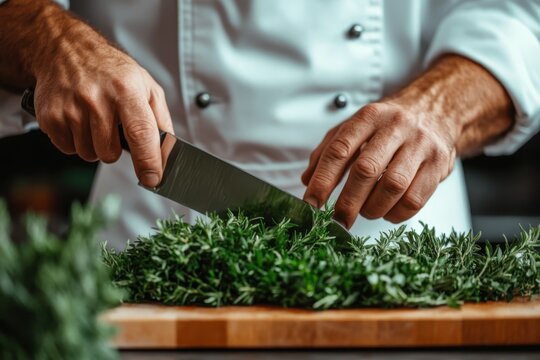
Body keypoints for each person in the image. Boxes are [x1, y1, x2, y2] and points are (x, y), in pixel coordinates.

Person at [1, 0, 539, 248]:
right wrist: (50, 38)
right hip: (153, 232)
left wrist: (442, 107)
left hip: (393, 237)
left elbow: (521, 17)